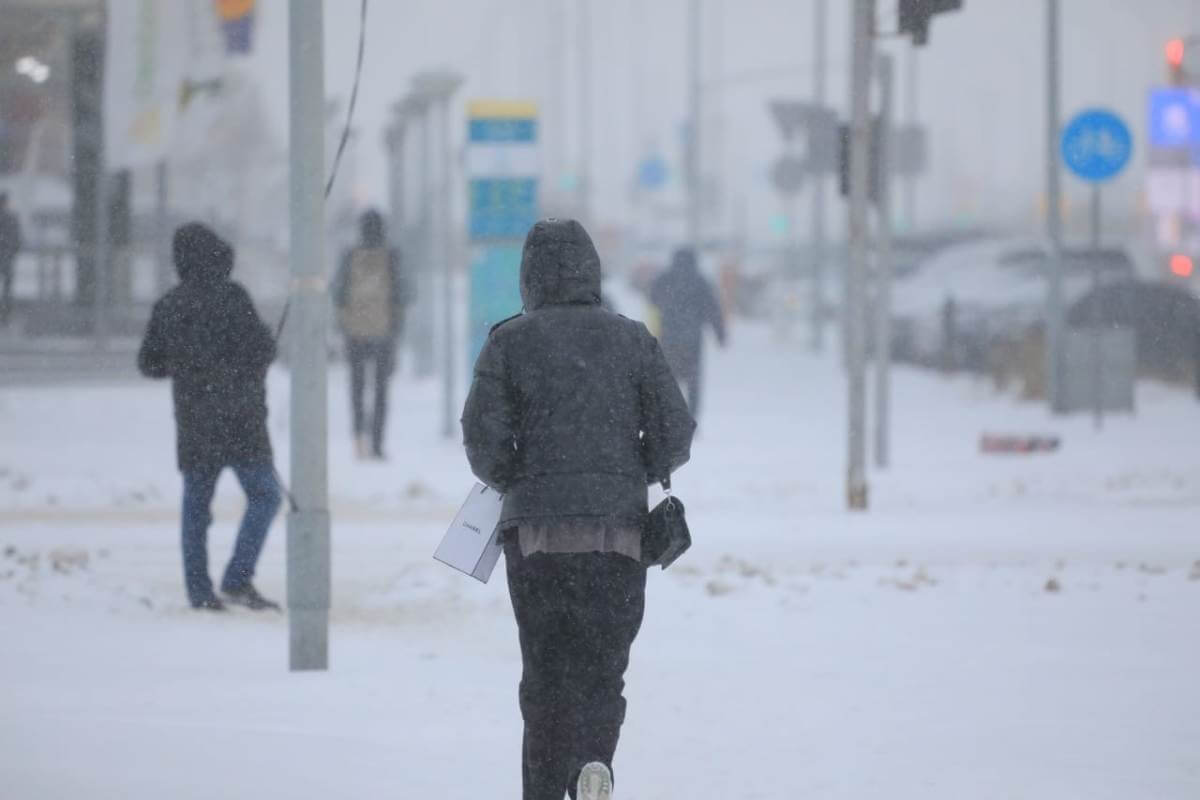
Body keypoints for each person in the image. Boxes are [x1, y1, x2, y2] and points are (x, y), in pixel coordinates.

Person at [462, 219, 695, 800]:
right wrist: (633, 470)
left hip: (537, 539)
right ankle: (594, 761)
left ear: (529, 276)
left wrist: (517, 476)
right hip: (617, 538)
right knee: (602, 670)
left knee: (544, 675)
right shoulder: (632, 338)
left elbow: (481, 437)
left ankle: (543, 788)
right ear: (591, 271)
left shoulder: (508, 342)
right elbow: (675, 432)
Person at [137, 223, 281, 612]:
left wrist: (186, 365)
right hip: (242, 421)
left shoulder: (170, 305)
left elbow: (148, 364)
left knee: (196, 507)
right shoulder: (234, 298)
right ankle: (237, 577)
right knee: (265, 496)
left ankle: (199, 592)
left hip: (196, 421)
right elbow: (263, 349)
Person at [332, 209, 413, 460]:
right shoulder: (392, 257)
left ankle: (358, 440)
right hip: (383, 334)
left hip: (354, 333)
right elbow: (404, 293)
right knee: (380, 390)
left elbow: (337, 292)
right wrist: (396, 324)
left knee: (356, 389)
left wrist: (344, 323)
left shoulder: (349, 256)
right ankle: (377, 444)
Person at [649, 247, 726, 418]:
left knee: (669, 379)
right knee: (693, 381)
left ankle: (669, 417)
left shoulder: (665, 279)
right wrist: (720, 334)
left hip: (668, 337)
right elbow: (713, 309)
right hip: (692, 339)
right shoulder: (700, 281)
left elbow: (652, 299)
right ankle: (691, 418)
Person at [0, 192, 22, 327]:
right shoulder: (11, 219)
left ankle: (4, 314)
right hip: (7, 258)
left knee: (7, 287)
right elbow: (17, 239)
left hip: (5, 256)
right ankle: (5, 316)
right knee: (8, 289)